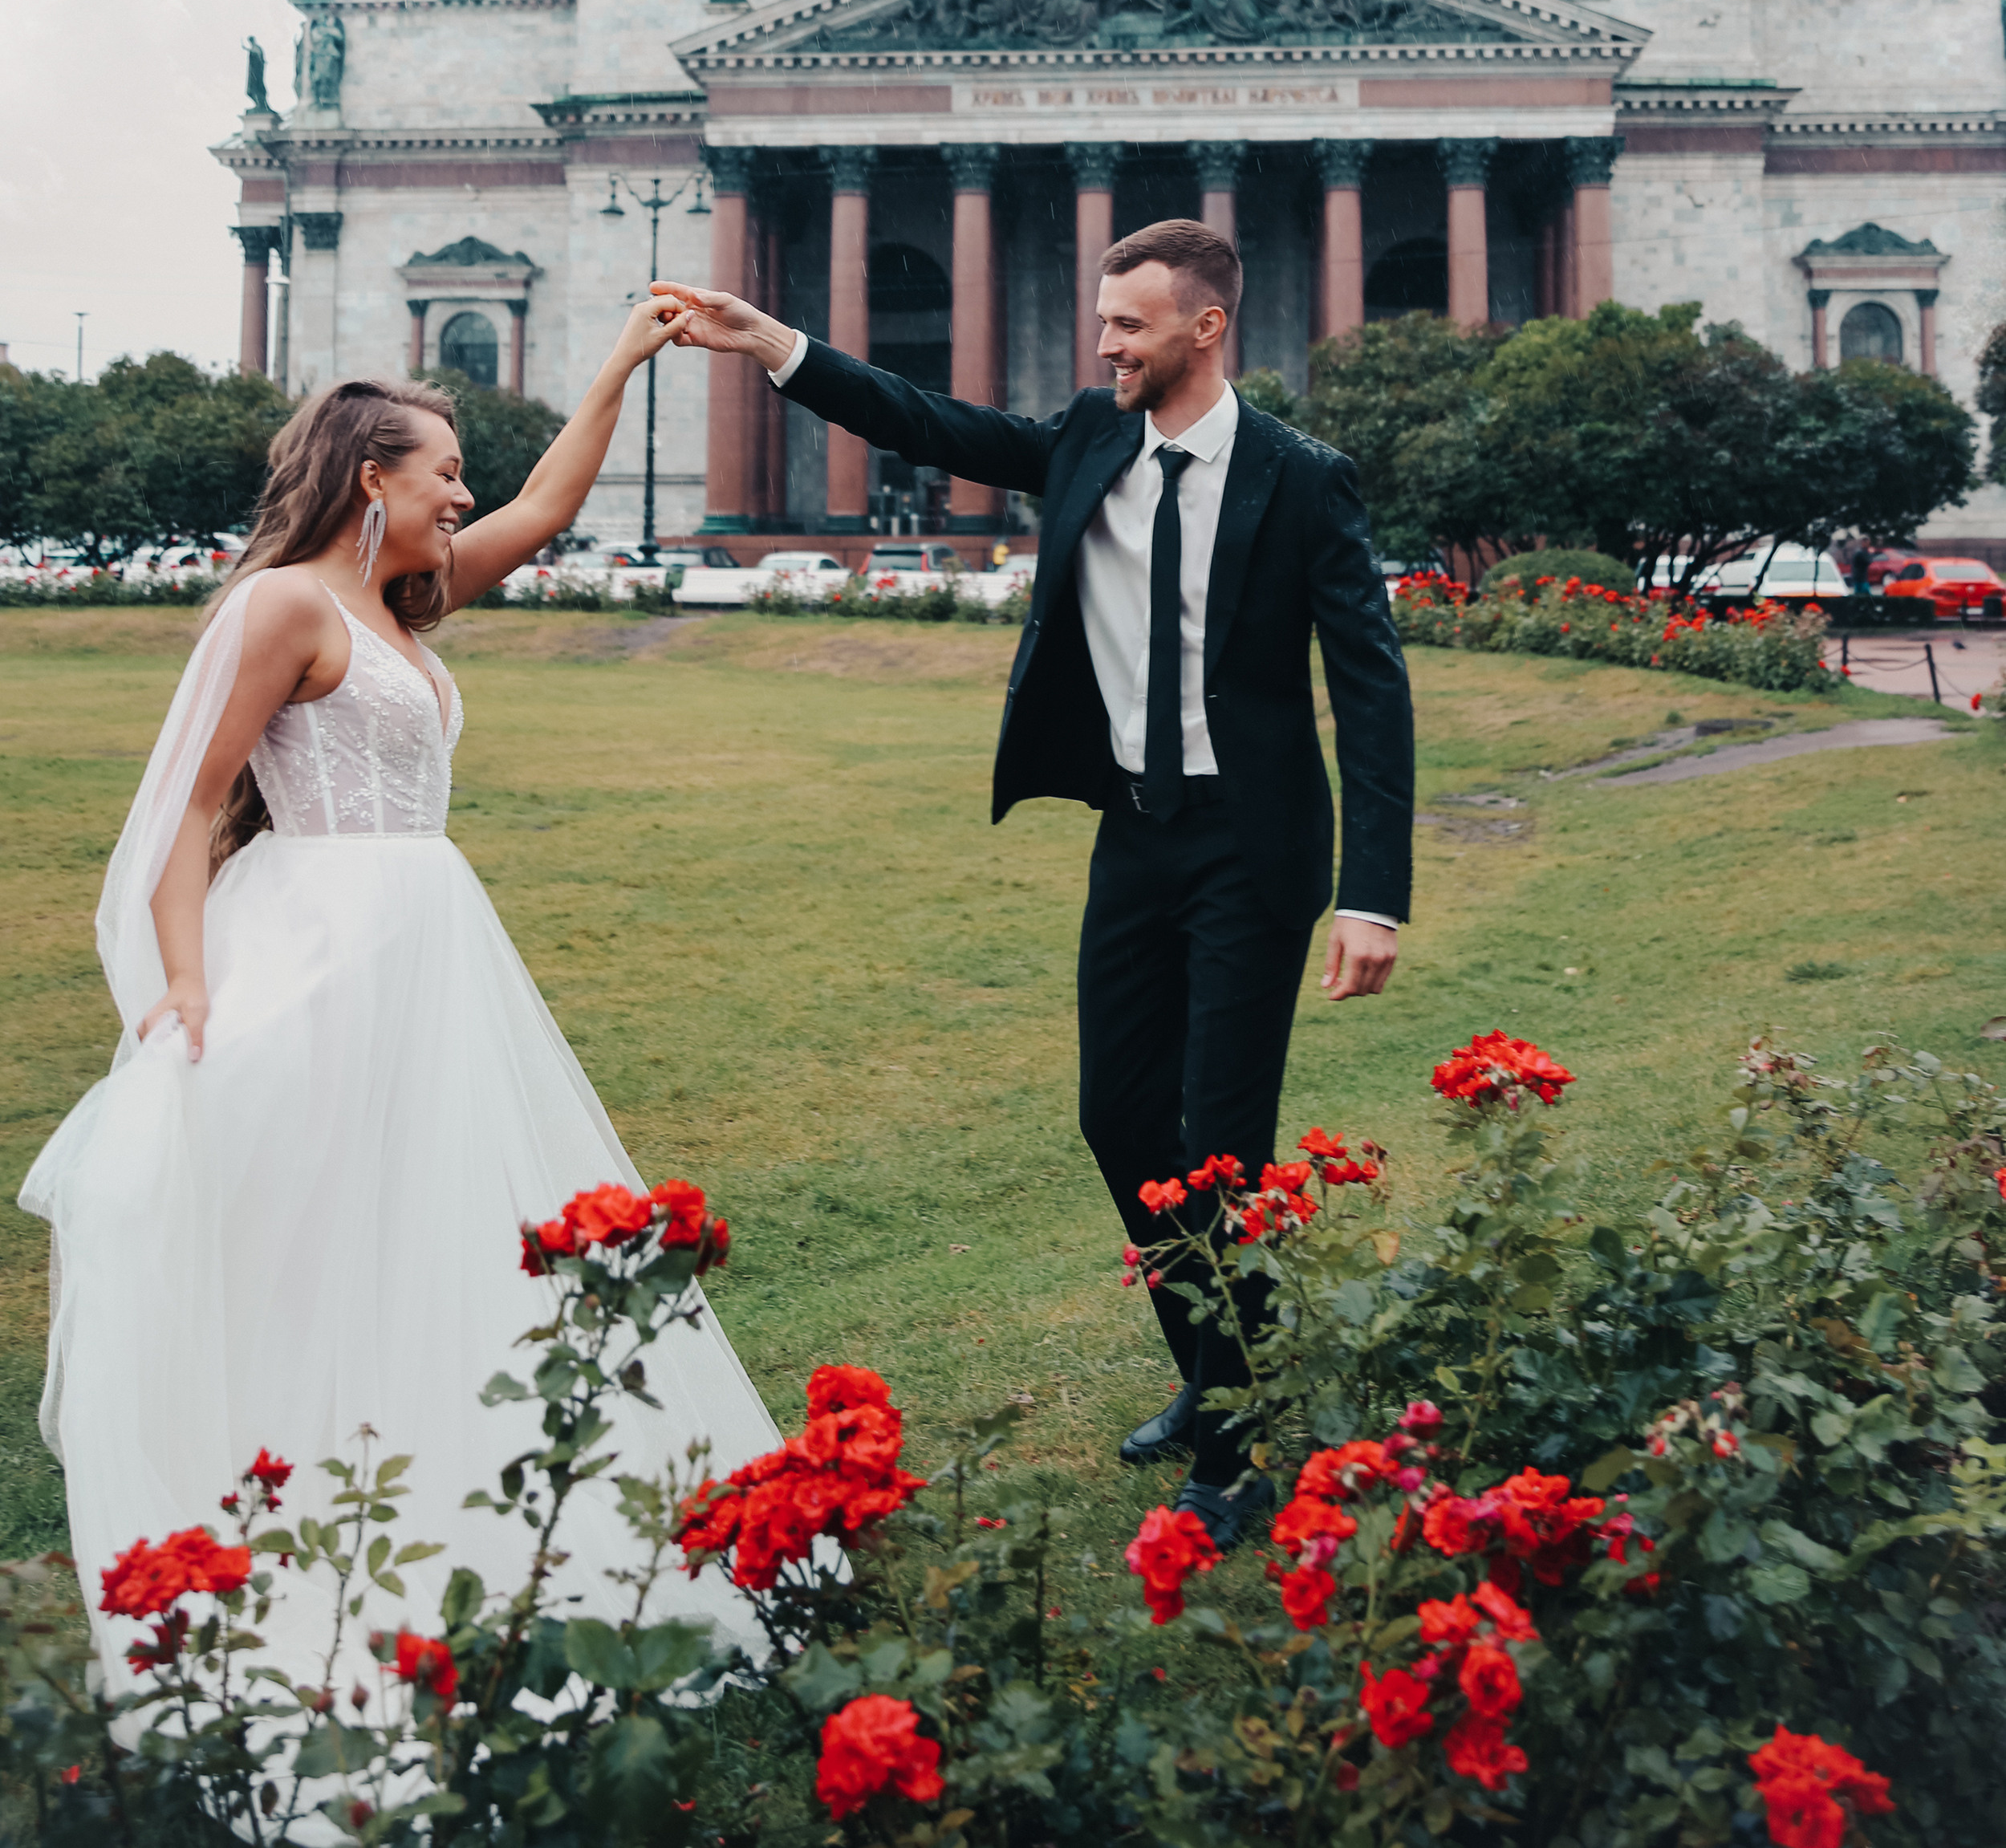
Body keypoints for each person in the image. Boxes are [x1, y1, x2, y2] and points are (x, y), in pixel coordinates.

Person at [21, 303, 778, 1696]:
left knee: (439, 1216)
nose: (464, 495)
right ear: (373, 477)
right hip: (317, 942)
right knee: (314, 1226)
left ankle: (443, 1485)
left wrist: (621, 361)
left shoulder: (402, 606)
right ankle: (298, 1498)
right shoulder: (285, 605)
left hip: (429, 942)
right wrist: (181, 983)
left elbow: (548, 505)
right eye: (443, 471)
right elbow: (188, 810)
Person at [656, 217, 1412, 1549]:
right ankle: (1216, 1357)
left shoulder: (1303, 480)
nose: (1105, 343)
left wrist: (1375, 890)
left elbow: (1373, 688)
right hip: (1134, 832)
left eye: (1129, 324)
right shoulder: (1090, 438)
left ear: (1206, 329)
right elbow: (934, 423)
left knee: (1219, 1147)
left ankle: (1233, 1451)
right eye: (1104, 320)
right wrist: (774, 345)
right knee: (1118, 1118)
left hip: (1257, 848)